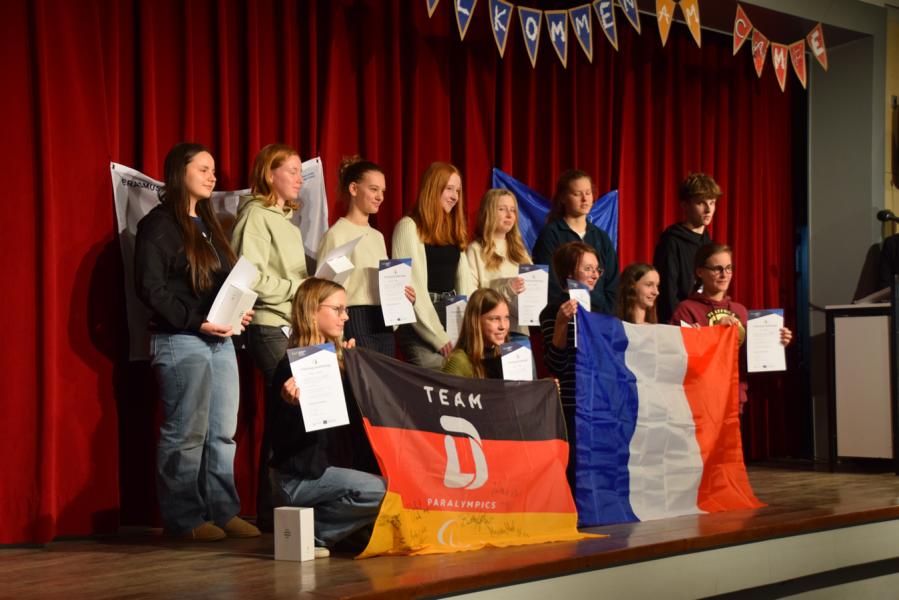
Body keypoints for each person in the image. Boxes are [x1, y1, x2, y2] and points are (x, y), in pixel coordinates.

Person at [134, 142, 259, 541]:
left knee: (222, 431)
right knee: (187, 432)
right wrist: (197, 321)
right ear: (179, 172)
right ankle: (184, 519)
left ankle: (223, 511)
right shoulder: (158, 225)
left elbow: (219, 288)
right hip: (181, 339)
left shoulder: (209, 225)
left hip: (220, 340)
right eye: (203, 168)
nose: (212, 176)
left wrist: (237, 312)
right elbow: (150, 288)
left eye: (213, 170)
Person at [269, 278, 385, 558]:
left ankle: (334, 531)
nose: (346, 316)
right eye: (338, 309)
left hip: (328, 474)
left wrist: (354, 369)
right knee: (383, 492)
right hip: (299, 478)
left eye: (346, 310)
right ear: (312, 312)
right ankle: (312, 533)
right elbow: (284, 441)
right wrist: (290, 405)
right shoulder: (291, 367)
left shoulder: (339, 361)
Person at [230, 143, 308, 530]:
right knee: (287, 408)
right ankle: (273, 510)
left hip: (290, 325)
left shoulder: (287, 223)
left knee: (290, 412)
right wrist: (297, 288)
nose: (299, 179)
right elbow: (249, 277)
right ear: (269, 174)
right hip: (267, 325)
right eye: (291, 170)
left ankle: (281, 507)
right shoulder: (256, 216)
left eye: (300, 172)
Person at [671, 243, 793, 411]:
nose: (724, 275)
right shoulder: (686, 310)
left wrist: (775, 342)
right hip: (699, 401)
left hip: (734, 399)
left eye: (729, 268)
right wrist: (715, 332)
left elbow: (748, 358)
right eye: (717, 269)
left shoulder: (740, 310)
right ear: (700, 272)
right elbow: (679, 359)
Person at [317, 156, 414, 356]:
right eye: (374, 189)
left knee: (384, 376)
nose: (380, 197)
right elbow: (325, 292)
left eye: (383, 191)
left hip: (384, 323)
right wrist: (338, 340)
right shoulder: (337, 235)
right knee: (364, 376)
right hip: (355, 320)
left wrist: (403, 297)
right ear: (354, 189)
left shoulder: (377, 236)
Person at [392, 162, 475, 369]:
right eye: (449, 189)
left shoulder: (453, 230)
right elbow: (413, 288)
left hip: (452, 318)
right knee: (436, 379)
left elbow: (465, 285)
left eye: (458, 191)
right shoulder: (408, 227)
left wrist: (466, 327)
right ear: (433, 189)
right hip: (421, 323)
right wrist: (437, 335)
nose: (455, 196)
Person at [539, 242, 602, 484]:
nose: (594, 275)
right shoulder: (553, 311)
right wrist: (561, 324)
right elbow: (556, 365)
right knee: (575, 472)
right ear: (569, 273)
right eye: (588, 269)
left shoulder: (601, 311)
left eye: (597, 269)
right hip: (572, 405)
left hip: (600, 403)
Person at [532, 169, 619, 314]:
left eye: (588, 193)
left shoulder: (601, 237)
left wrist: (604, 313)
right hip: (566, 314)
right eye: (577, 194)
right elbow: (549, 282)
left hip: (599, 315)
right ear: (563, 198)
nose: (585, 199)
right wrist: (567, 310)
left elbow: (613, 283)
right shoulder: (551, 234)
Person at [653, 172, 721, 324]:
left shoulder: (708, 243)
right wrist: (680, 324)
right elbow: (668, 292)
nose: (708, 210)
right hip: (680, 324)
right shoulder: (671, 241)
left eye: (712, 203)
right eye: (701, 203)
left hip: (705, 321)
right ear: (685, 205)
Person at [465, 189, 532, 341]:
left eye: (513, 210)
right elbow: (472, 299)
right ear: (488, 213)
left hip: (518, 332)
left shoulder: (520, 251)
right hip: (489, 334)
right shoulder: (475, 250)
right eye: (502, 209)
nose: (509, 215)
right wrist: (507, 290)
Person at [441, 288, 510, 378]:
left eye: (506, 317)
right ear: (475, 321)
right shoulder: (459, 362)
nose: (503, 326)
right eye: (494, 319)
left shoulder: (507, 357)